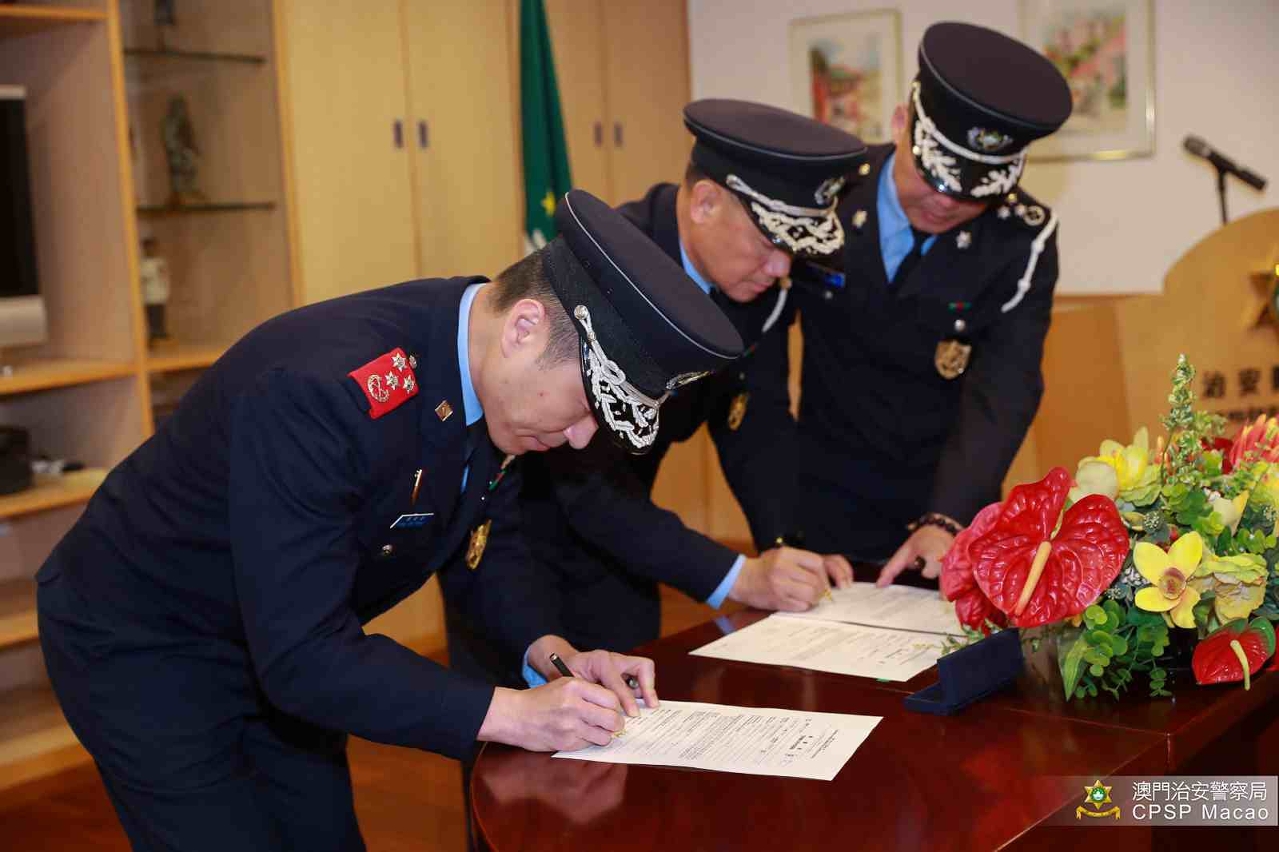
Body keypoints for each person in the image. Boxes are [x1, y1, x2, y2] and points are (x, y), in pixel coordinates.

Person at [34, 189, 742, 852]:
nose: (583, 439)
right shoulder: (324, 391)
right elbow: (305, 654)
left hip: (285, 637)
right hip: (148, 640)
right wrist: (514, 715)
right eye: (586, 406)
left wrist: (553, 656)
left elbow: (482, 543)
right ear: (524, 329)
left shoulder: (493, 378)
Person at [440, 100, 867, 691]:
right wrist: (737, 576)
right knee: (517, 735)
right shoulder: (609, 272)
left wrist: (783, 549)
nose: (780, 267)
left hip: (625, 539)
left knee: (638, 712)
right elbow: (582, 474)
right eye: (769, 242)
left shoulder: (757, 286)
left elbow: (755, 419)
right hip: (515, 546)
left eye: (793, 248)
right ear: (705, 202)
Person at [787, 22, 1074, 588]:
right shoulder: (827, 196)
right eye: (935, 176)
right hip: (821, 498)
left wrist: (947, 516)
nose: (946, 202)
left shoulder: (1022, 237)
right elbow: (762, 363)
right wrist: (775, 527)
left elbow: (1005, 388)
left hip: (945, 502)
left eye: (974, 192)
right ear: (901, 123)